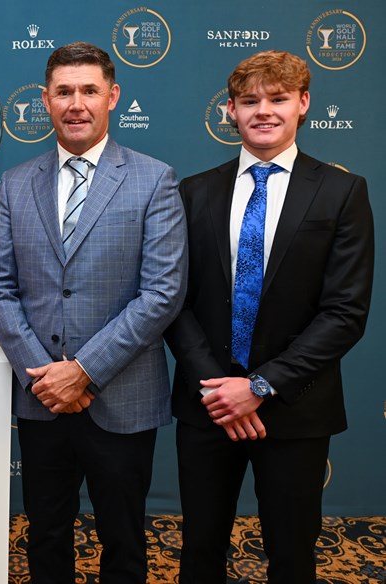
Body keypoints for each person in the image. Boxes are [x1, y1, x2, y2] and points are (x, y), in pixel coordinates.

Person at [0, 42, 187, 583]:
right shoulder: (16, 182)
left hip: (120, 396)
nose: (77, 104)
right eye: (64, 92)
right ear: (46, 101)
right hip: (41, 396)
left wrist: (84, 371)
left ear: (112, 97)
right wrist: (47, 378)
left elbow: (161, 292)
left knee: (124, 538)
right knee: (45, 534)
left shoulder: (153, 179)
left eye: (89, 91)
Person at [165, 50, 374, 584]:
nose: (264, 111)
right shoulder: (194, 192)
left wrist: (259, 385)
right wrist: (219, 388)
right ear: (230, 110)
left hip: (296, 408)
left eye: (278, 99)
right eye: (250, 101)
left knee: (292, 556)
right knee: (200, 550)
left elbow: (345, 312)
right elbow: (174, 300)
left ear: (302, 104)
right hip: (208, 405)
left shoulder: (341, 191)